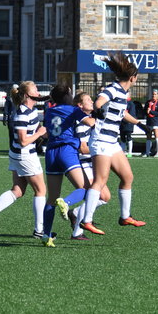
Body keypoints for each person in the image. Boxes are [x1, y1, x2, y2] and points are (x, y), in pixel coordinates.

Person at [80, 52, 146, 236]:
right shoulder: (114, 88)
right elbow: (100, 100)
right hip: (101, 140)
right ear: (133, 78)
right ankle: (87, 220)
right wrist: (98, 109)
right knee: (100, 181)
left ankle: (125, 217)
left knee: (128, 177)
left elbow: (122, 113)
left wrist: (140, 124)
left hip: (112, 141)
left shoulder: (123, 93)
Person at [0, 81, 48, 241]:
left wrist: (46, 133)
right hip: (25, 155)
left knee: (18, 190)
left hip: (18, 155)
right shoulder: (22, 114)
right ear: (27, 95)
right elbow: (24, 141)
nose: (38, 92)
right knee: (41, 191)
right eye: (35, 90)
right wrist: (40, 134)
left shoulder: (32, 110)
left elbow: (36, 131)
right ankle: (39, 230)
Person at [41, 84, 96, 244]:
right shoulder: (73, 110)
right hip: (67, 150)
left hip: (51, 153)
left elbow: (47, 132)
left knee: (51, 198)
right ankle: (67, 202)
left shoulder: (49, 111)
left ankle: (46, 235)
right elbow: (90, 122)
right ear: (67, 96)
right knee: (87, 189)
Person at [69, 92, 111, 239]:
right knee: (100, 195)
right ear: (80, 105)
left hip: (93, 162)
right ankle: (77, 232)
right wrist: (102, 149)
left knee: (105, 197)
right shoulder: (81, 123)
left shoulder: (91, 119)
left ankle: (75, 213)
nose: (92, 101)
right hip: (84, 162)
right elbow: (82, 148)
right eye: (88, 100)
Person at [119, 92, 143, 157]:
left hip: (128, 123)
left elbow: (132, 114)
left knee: (128, 137)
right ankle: (123, 151)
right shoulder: (122, 103)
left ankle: (130, 152)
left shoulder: (131, 104)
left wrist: (127, 120)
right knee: (122, 137)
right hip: (122, 123)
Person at [144, 90, 158, 157]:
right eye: (153, 94)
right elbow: (145, 111)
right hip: (149, 122)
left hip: (156, 122)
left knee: (157, 136)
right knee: (148, 137)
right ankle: (147, 152)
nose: (153, 96)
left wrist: (151, 112)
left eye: (155, 94)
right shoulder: (148, 102)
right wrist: (147, 112)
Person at [2, 84, 18, 149]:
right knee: (12, 135)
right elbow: (6, 109)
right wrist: (5, 117)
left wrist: (5, 118)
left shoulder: (20, 98)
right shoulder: (9, 99)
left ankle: (14, 148)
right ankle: (12, 148)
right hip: (12, 119)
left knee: (15, 135)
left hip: (16, 118)